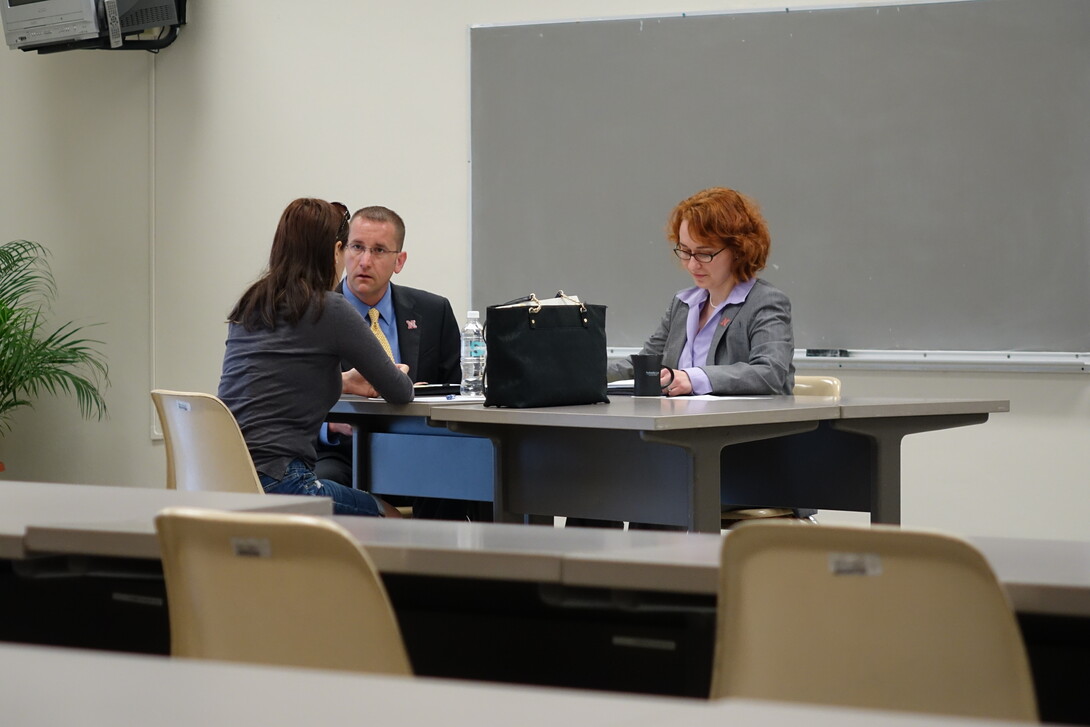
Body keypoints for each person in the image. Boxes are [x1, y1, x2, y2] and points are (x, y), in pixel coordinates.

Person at [572, 187, 796, 529]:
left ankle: (657, 579)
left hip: (736, 458)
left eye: (704, 254)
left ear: (739, 248)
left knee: (640, 487)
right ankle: (590, 581)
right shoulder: (684, 303)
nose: (692, 264)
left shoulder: (765, 303)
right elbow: (645, 363)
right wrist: (576, 375)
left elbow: (770, 373)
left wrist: (692, 378)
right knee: (595, 487)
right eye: (685, 251)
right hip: (674, 450)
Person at [218, 197, 414, 517]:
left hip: (226, 476)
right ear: (336, 250)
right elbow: (400, 391)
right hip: (282, 481)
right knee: (392, 518)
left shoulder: (251, 304)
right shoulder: (329, 308)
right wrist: (399, 372)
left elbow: (271, 378)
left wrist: (344, 382)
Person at [315, 205, 487, 520]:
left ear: (399, 261)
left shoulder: (433, 311)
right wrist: (328, 425)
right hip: (342, 454)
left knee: (466, 475)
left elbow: (460, 392)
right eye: (357, 247)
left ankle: (435, 566)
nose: (365, 261)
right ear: (341, 251)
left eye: (379, 250)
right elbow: (290, 399)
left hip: (417, 449)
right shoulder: (315, 312)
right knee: (322, 487)